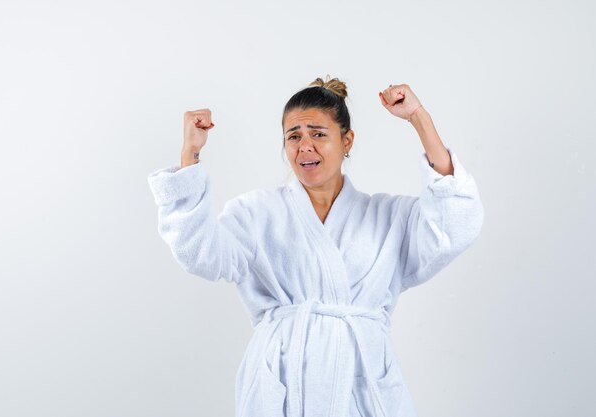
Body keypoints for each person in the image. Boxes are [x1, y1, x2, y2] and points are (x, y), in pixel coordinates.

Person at [147, 76, 484, 417]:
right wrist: (191, 152)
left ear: (347, 141)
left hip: (363, 391)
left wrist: (418, 118)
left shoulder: (389, 217)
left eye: (318, 134)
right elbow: (199, 252)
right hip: (283, 387)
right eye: (294, 136)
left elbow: (453, 223)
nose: (304, 146)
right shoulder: (256, 213)